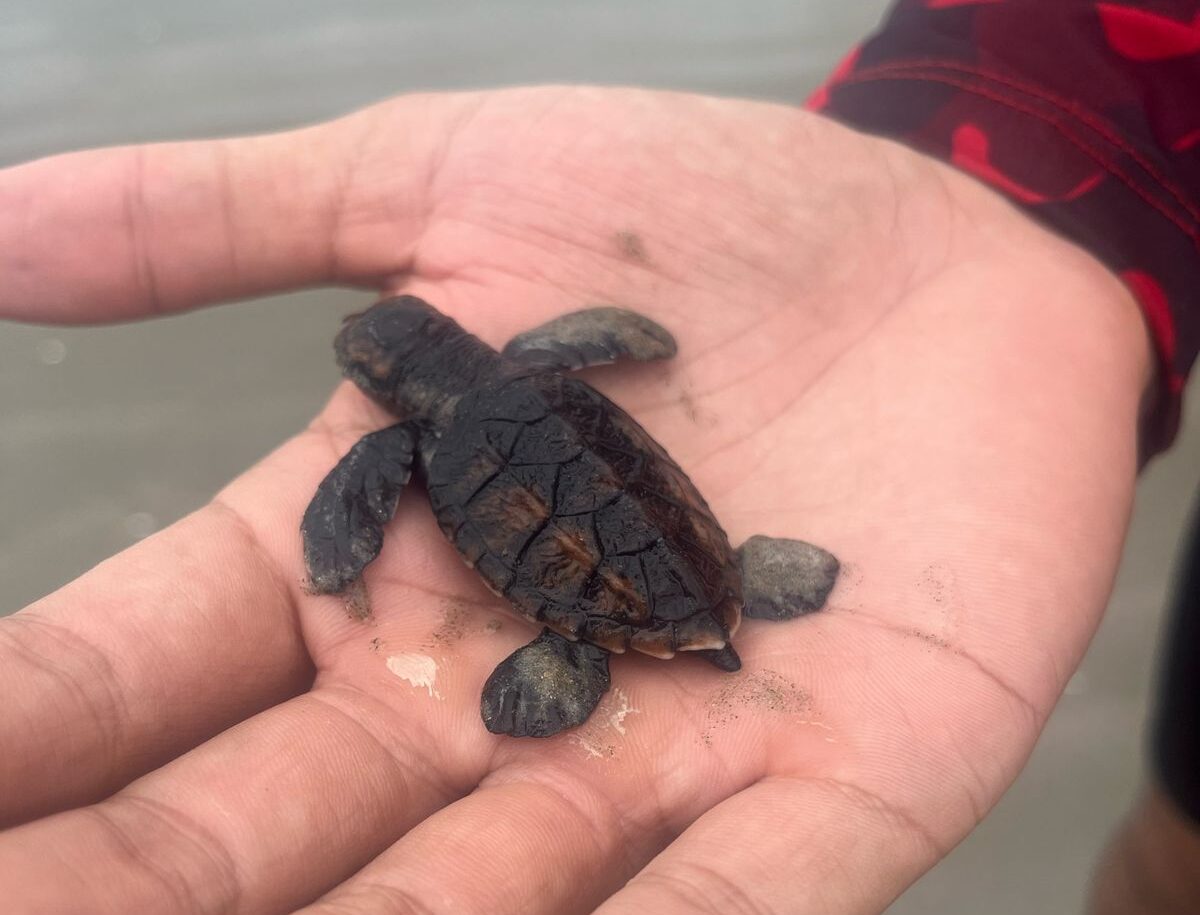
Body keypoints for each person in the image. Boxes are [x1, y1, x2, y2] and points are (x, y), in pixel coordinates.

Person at [0, 3, 1192, 914]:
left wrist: (338, 554)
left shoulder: (416, 444)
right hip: (705, 561)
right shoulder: (538, 365)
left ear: (395, 388)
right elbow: (624, 340)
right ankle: (724, 588)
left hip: (585, 616)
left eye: (367, 363)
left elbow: (353, 505)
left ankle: (580, 654)